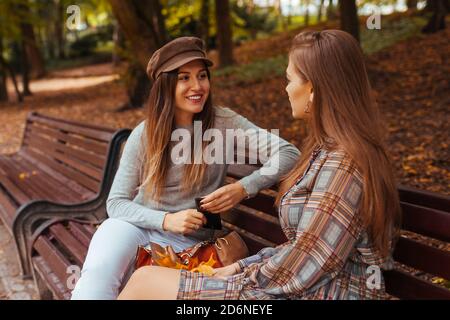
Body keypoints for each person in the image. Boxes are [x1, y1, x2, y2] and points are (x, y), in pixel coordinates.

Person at [117, 30, 402, 300]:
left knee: (146, 284)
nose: (286, 88)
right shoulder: (327, 150)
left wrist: (239, 276)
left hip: (321, 292)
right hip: (301, 286)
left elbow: (305, 264)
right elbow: (302, 250)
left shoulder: (344, 164)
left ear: (313, 89)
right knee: (146, 281)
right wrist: (240, 267)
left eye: (290, 79)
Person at [70, 36, 300, 300]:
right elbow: (116, 204)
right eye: (184, 78)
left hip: (191, 242)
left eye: (202, 76)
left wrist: (242, 188)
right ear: (166, 85)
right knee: (100, 268)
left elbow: (289, 153)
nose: (197, 86)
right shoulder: (145, 134)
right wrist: (166, 220)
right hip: (138, 227)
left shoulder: (224, 123)